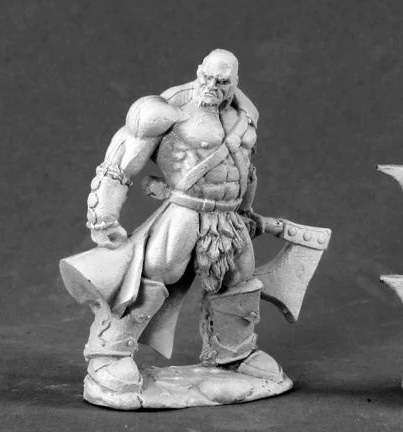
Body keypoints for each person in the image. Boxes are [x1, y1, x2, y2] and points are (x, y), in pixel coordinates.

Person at [81, 49, 285, 407]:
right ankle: (108, 356)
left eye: (222, 81)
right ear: (198, 71)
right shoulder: (166, 110)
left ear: (234, 81)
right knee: (155, 273)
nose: (212, 85)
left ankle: (233, 353)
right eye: (207, 77)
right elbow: (120, 164)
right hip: (185, 210)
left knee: (239, 278)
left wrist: (247, 211)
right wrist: (104, 217)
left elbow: (245, 168)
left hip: (228, 214)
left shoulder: (244, 115)